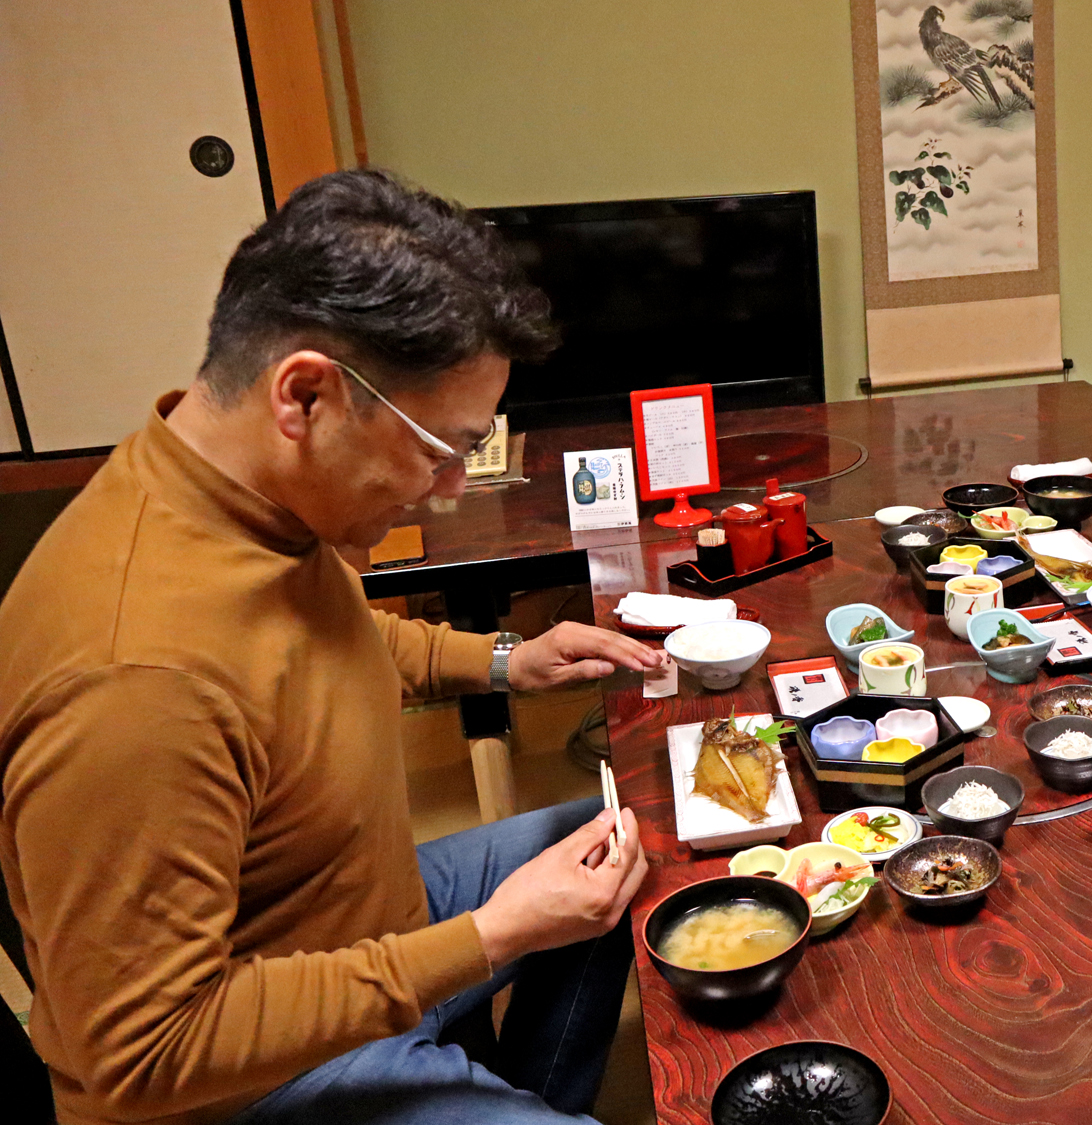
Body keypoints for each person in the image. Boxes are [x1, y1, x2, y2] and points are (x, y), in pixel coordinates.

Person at [0, 170, 668, 1125]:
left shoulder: (242, 498)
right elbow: (142, 1054)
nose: (446, 488)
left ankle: (518, 1096)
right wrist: (490, 936)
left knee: (617, 845)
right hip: (240, 1073)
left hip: (360, 909)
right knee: (563, 896)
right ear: (305, 394)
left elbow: (329, 640)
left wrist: (503, 661)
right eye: (441, 448)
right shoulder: (134, 679)